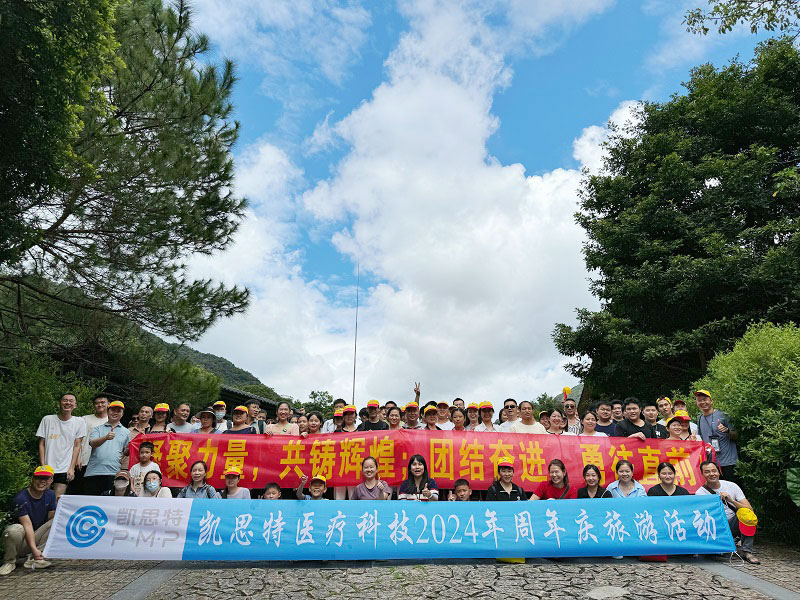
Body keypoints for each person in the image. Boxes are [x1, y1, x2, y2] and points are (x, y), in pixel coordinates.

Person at [695, 460, 759, 564]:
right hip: (715, 526)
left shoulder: (732, 486)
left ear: (719, 472)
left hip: (732, 523)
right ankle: (714, 546)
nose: (711, 474)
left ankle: (746, 551)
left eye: (714, 471)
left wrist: (731, 500)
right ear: (702, 474)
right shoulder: (700, 493)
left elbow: (749, 509)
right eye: (707, 472)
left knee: (747, 515)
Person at [0, 466, 57, 575]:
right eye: (39, 478)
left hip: (36, 535)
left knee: (56, 522)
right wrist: (33, 548)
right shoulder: (21, 498)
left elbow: (51, 519)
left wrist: (60, 506)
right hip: (20, 540)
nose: (42, 481)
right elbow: (27, 525)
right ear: (32, 479)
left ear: (51, 480)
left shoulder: (50, 494)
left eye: (46, 478)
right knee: (14, 529)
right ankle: (9, 562)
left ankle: (36, 558)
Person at [35, 392, 86, 499]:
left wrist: (71, 468)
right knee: (41, 497)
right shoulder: (47, 419)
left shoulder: (79, 422)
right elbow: (41, 444)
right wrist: (43, 465)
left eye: (71, 401)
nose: (68, 403)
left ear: (75, 405)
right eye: (65, 400)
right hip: (47, 466)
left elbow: (77, 446)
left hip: (64, 468)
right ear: (60, 403)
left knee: (58, 498)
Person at [85, 400, 131, 495]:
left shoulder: (126, 432)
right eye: (113, 410)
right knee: (92, 501)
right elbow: (92, 443)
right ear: (108, 411)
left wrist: (130, 449)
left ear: (122, 414)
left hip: (114, 472)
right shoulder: (97, 429)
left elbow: (125, 451)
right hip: (94, 471)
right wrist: (105, 438)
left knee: (109, 501)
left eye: (118, 411)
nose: (115, 413)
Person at [695, 389, 739, 481]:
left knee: (732, 488)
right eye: (699, 400)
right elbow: (702, 440)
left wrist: (727, 431)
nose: (702, 402)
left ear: (711, 401)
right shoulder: (699, 418)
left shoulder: (723, 415)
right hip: (712, 465)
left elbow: (736, 436)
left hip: (728, 462)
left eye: (705, 399)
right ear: (696, 403)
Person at [73, 394, 108, 494]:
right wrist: (78, 457)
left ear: (108, 404)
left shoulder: (111, 421)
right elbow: (77, 439)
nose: (100, 405)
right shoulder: (84, 419)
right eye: (97, 403)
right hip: (84, 461)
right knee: (81, 491)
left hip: (103, 464)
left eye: (102, 402)